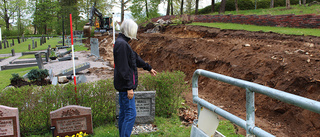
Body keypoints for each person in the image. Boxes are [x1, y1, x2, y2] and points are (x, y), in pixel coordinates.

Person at [113, 19, 157, 137]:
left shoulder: (123, 43)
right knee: (130, 114)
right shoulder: (122, 44)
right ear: (130, 31)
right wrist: (129, 87)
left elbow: (135, 58)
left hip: (123, 86)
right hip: (125, 87)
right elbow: (123, 68)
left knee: (124, 114)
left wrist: (148, 68)